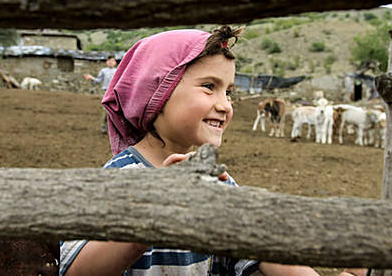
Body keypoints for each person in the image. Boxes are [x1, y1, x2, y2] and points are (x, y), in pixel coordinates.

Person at [61, 26, 366, 276]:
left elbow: (262, 252)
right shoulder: (117, 180)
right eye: (209, 86)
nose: (225, 105)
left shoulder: (216, 181)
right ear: (156, 93)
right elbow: (75, 272)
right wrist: (156, 207)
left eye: (229, 91)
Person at [84, 55, 117, 133]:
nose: (110, 62)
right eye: (109, 61)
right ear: (106, 62)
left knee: (114, 110)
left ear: (115, 62)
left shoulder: (118, 70)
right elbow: (98, 80)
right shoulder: (103, 71)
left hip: (115, 92)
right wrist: (91, 78)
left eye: (112, 60)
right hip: (105, 91)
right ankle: (103, 126)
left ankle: (113, 128)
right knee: (106, 109)